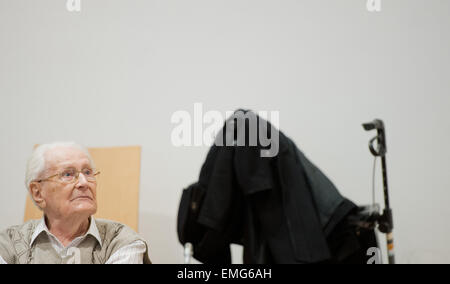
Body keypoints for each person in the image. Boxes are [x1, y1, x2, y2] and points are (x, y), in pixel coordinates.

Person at [0, 142, 151, 264]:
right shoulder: (8, 244)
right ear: (38, 193)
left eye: (87, 172)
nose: (84, 183)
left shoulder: (121, 242)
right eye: (68, 174)